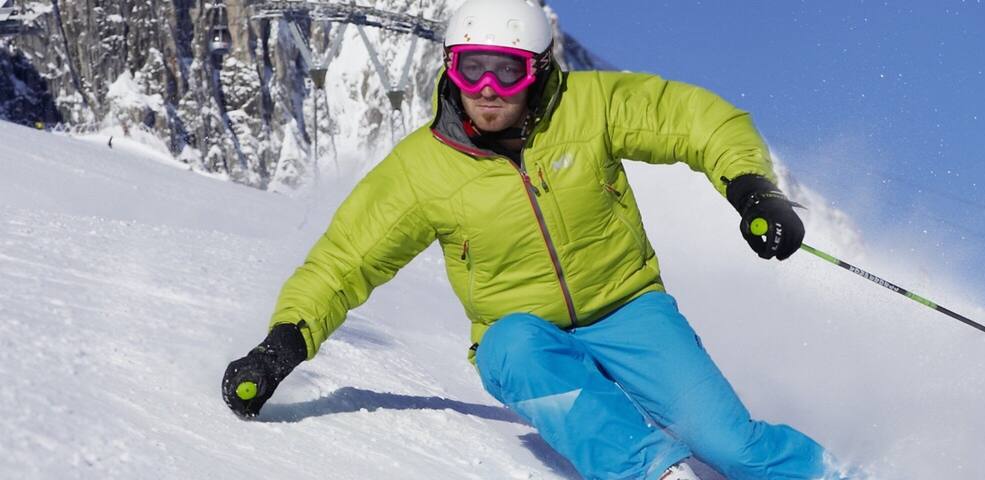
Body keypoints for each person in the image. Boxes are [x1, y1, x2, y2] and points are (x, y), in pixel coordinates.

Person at [218, 1, 832, 479]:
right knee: (508, 345)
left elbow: (695, 119)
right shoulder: (421, 170)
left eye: (506, 71)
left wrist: (752, 188)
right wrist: (282, 344)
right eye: (471, 67)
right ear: (450, 68)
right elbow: (344, 260)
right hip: (524, 337)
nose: (487, 88)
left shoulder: (588, 108)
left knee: (732, 447)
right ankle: (652, 473)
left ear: (535, 70)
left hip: (631, 310)